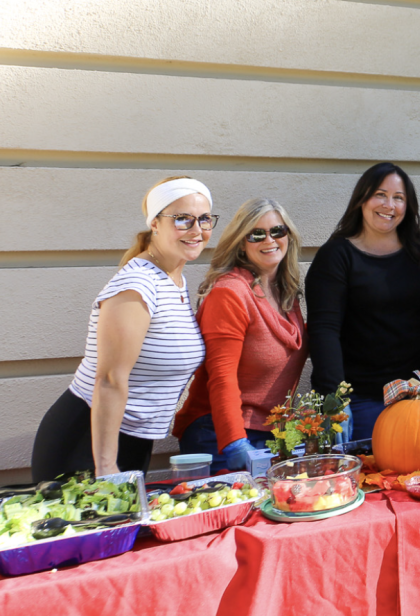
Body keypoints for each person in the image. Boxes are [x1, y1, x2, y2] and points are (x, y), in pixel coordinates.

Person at [31, 177, 213, 479]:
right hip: (89, 444)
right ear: (155, 223)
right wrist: (105, 467)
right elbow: (109, 379)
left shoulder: (173, 279)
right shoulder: (137, 285)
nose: (197, 230)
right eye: (182, 219)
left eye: (205, 219)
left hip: (132, 441)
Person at [305, 163, 420, 442]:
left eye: (399, 197)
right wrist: (336, 400)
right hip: (360, 401)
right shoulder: (337, 255)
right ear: (362, 198)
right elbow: (323, 330)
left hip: (416, 397)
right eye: (380, 194)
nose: (389, 205)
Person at [174, 198, 307, 470]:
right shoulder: (230, 293)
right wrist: (234, 440)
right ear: (241, 244)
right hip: (219, 433)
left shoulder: (286, 293)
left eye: (277, 231)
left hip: (268, 434)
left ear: (288, 236)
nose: (269, 240)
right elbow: (222, 376)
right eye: (256, 234)